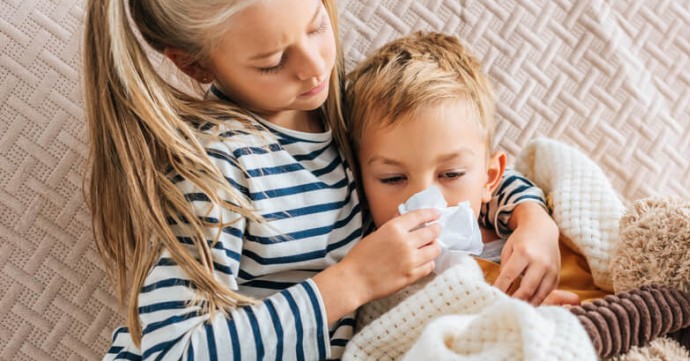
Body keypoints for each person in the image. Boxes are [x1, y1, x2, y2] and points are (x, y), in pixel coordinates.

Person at [82, 0, 558, 359]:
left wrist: (531, 218)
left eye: (316, 25)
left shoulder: (333, 112)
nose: (314, 67)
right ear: (194, 64)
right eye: (271, 61)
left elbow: (460, 168)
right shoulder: (211, 170)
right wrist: (349, 283)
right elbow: (168, 352)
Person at [347, 31, 590, 307]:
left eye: (451, 174)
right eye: (393, 178)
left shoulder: (515, 229)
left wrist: (535, 220)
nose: (426, 203)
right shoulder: (366, 257)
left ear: (489, 178)